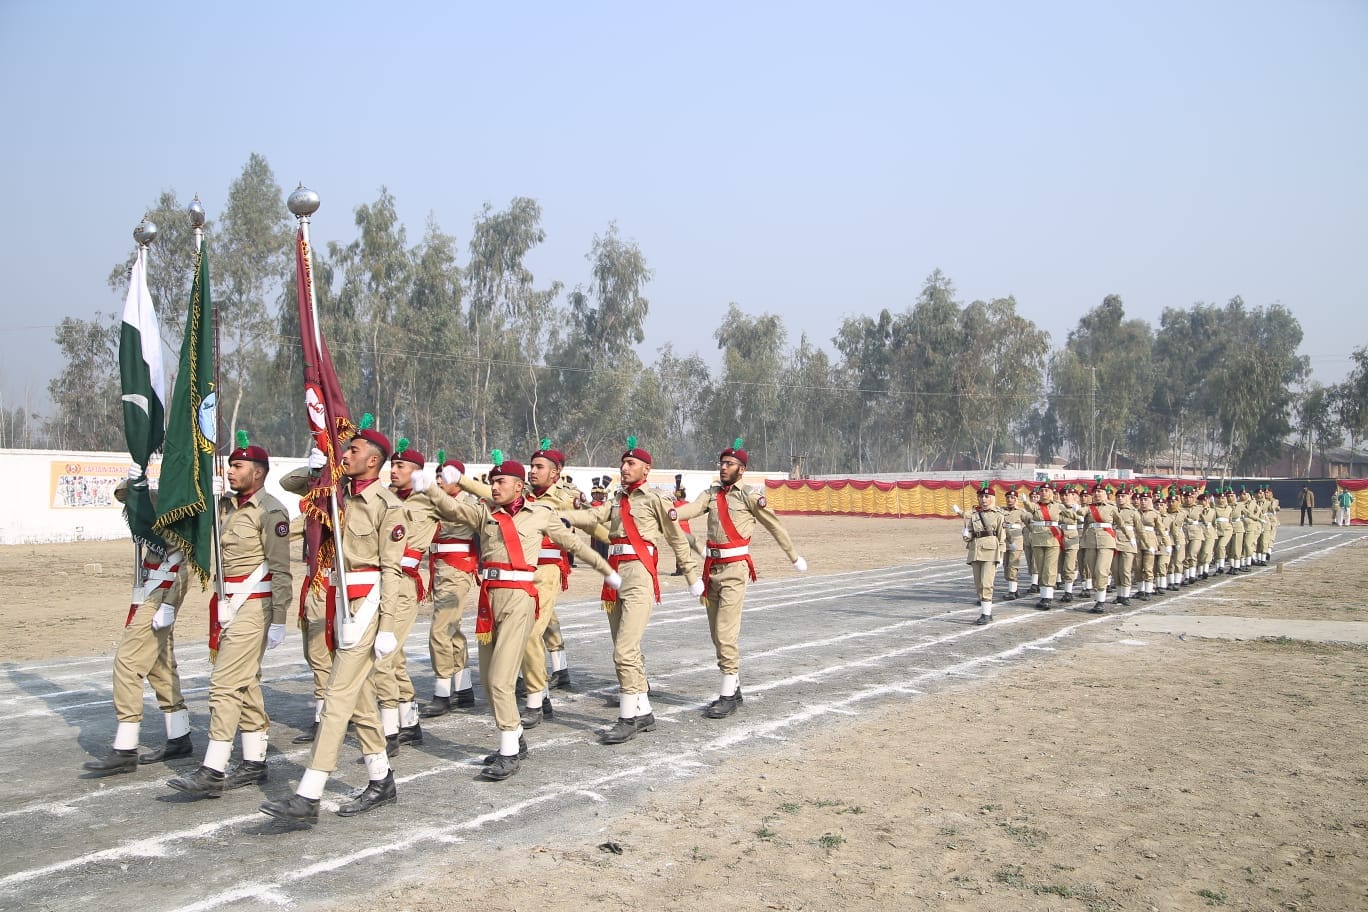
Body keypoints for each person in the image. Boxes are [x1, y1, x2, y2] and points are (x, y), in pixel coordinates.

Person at [427, 453, 620, 778]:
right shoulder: (485, 513)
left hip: (520, 598)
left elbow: (575, 545)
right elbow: (453, 508)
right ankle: (516, 735)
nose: (495, 487)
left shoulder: (540, 513)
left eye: (502, 482)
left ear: (518, 487)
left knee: (502, 680)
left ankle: (509, 751)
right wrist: (427, 485)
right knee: (488, 681)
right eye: (493, 481)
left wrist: (607, 570)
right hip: (489, 601)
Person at [259, 422, 406, 823]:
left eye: (353, 450)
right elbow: (292, 483)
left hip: (368, 606)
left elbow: (392, 571)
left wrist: (388, 626)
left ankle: (309, 794)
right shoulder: (334, 492)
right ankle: (381, 778)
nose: (345, 454)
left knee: (337, 696)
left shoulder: (386, 505)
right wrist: (316, 464)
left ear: (373, 461)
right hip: (338, 601)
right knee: (357, 698)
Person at [169, 433, 293, 799]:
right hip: (227, 606)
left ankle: (213, 768)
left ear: (258, 472)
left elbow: (281, 568)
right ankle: (255, 761)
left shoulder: (270, 511)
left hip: (253, 607)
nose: (230, 470)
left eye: (238, 466)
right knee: (246, 682)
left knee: (223, 684)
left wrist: (280, 618)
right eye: (230, 465)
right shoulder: (223, 508)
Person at [561, 437, 702, 743]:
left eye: (631, 464)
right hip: (614, 576)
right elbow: (593, 517)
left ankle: (628, 717)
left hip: (640, 575)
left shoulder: (656, 500)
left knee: (623, 650)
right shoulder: (614, 500)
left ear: (646, 470)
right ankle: (644, 710)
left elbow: (677, 539)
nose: (624, 468)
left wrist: (691, 576)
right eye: (623, 463)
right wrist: (566, 517)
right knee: (628, 649)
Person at [456, 439, 604, 726]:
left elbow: (590, 522)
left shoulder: (564, 497)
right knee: (537, 630)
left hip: (548, 571)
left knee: (530, 634)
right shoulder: (521, 497)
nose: (533, 471)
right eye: (532, 467)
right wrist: (459, 480)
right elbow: (487, 492)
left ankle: (537, 699)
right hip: (520, 575)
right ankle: (540, 687)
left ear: (556, 473)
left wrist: (614, 539)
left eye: (540, 467)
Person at [674, 438, 806, 716]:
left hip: (735, 570)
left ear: (741, 469)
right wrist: (671, 511)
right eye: (722, 463)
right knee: (715, 635)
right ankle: (733, 687)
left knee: (725, 632)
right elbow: (691, 510)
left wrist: (793, 557)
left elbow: (774, 526)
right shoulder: (710, 494)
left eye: (729, 464)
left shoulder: (749, 496)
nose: (723, 467)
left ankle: (727, 697)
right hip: (711, 570)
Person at [82, 476, 193, 775]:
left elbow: (187, 566)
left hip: (161, 595)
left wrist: (170, 604)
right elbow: (121, 492)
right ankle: (179, 735)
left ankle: (125, 748)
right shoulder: (152, 523)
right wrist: (136, 473)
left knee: (128, 663)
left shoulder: (178, 516)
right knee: (160, 665)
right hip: (149, 590)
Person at [420, 453, 481, 718]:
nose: (438, 480)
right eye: (437, 475)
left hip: (457, 568)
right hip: (440, 567)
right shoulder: (433, 501)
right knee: (452, 628)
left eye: (444, 476)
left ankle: (442, 691)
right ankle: (464, 687)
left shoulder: (467, 503)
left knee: (440, 629)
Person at [278, 453, 334, 744]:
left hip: (329, 583)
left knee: (321, 653)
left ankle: (325, 717)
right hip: (313, 581)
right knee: (314, 654)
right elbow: (287, 481)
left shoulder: (337, 502)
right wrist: (315, 470)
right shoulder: (314, 507)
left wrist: (328, 472)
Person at [962, 482, 1006, 624]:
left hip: (991, 551)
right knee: (978, 584)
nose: (984, 499)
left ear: (992, 498)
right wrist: (966, 534)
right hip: (975, 550)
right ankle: (984, 610)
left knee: (986, 583)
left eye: (987, 496)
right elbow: (970, 534)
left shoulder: (998, 515)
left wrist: (1001, 555)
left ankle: (986, 614)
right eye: (981, 497)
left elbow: (1001, 536)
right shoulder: (974, 515)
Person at [1081, 482, 1120, 613]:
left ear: (1105, 494)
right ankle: (1098, 596)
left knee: (1101, 570)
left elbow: (1121, 524)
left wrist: (1130, 539)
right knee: (1092, 571)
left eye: (1100, 492)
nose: (1097, 494)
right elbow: (1084, 522)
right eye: (1095, 492)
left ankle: (1100, 602)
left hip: (1107, 542)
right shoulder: (1089, 508)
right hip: (1091, 542)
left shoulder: (1111, 508)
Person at [998, 488, 1027, 600]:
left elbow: (1029, 522)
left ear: (1016, 499)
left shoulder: (1021, 512)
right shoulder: (1001, 511)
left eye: (1012, 498)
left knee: (1013, 565)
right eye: (1008, 498)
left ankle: (1012, 591)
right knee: (1006, 565)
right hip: (1005, 539)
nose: (1010, 500)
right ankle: (1014, 588)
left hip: (1016, 540)